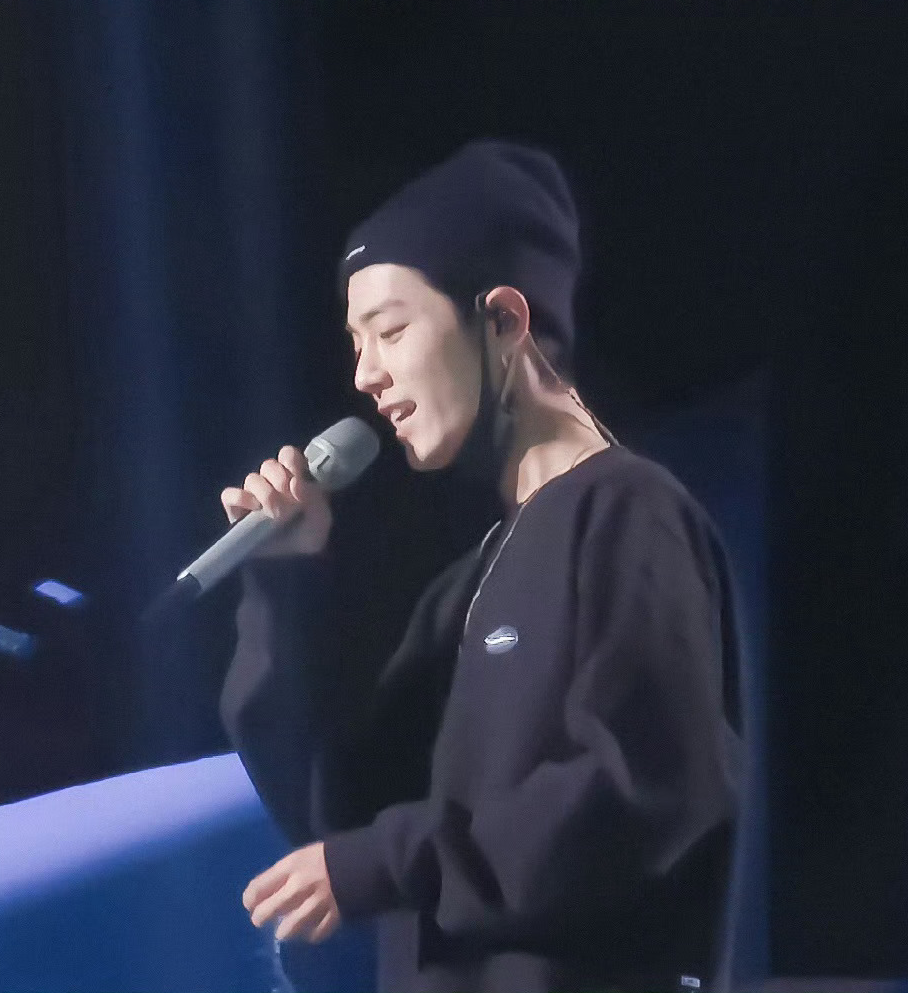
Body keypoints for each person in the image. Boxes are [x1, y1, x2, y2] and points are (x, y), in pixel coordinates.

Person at [220, 142, 745, 993]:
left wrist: (391, 861)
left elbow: (650, 789)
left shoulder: (628, 513)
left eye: (391, 330)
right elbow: (337, 818)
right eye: (355, 343)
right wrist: (282, 587)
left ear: (503, 319)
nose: (366, 375)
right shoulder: (469, 584)